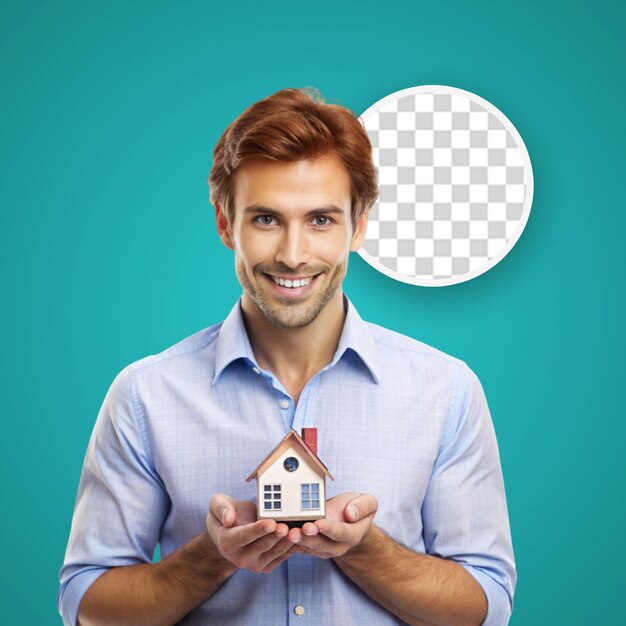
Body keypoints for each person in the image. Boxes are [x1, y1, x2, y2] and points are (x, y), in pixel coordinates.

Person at [58, 87, 516, 626]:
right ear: (227, 224)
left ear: (359, 224)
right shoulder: (144, 395)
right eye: (266, 219)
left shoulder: (446, 391)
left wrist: (364, 549)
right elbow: (85, 606)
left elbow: (485, 606)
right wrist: (211, 557)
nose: (293, 254)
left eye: (320, 219)